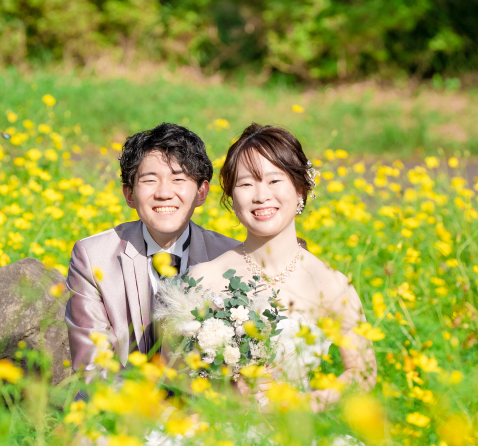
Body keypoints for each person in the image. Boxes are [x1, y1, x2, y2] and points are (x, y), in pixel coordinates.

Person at [185, 123, 377, 412]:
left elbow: (362, 373)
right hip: (221, 441)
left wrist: (306, 404)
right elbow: (173, 373)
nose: (261, 196)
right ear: (232, 200)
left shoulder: (331, 285)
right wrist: (229, 391)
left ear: (300, 189)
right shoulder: (203, 278)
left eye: (274, 181)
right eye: (246, 184)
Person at [65, 123, 241, 376]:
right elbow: (93, 368)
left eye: (178, 179)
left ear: (201, 193)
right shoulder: (93, 256)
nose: (164, 193)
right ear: (129, 194)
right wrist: (163, 416)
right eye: (149, 180)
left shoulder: (230, 257)